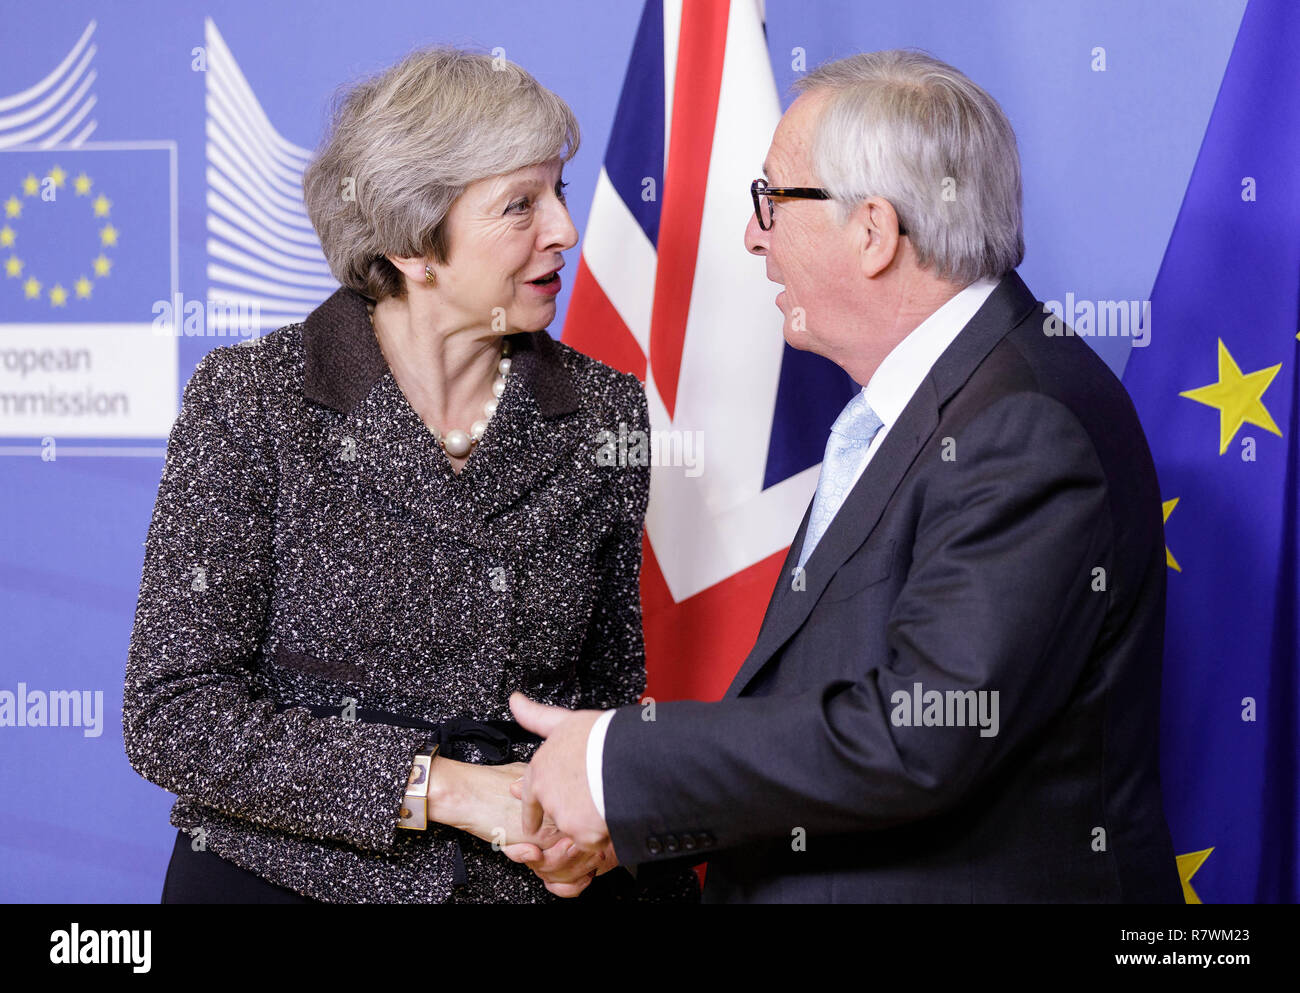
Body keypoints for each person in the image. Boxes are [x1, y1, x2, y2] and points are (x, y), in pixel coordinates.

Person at [510, 49, 1184, 903]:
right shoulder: (934, 401)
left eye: (771, 201)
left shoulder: (1021, 426)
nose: (753, 235)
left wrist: (616, 764)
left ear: (873, 232)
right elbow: (828, 705)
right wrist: (634, 814)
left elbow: (917, 734)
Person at [122, 45, 698, 904]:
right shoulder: (254, 402)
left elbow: (608, 694)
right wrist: (448, 790)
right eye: (519, 205)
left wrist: (599, 827)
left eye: (559, 192)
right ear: (410, 243)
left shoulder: (604, 412)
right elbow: (174, 712)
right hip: (290, 885)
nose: (565, 231)